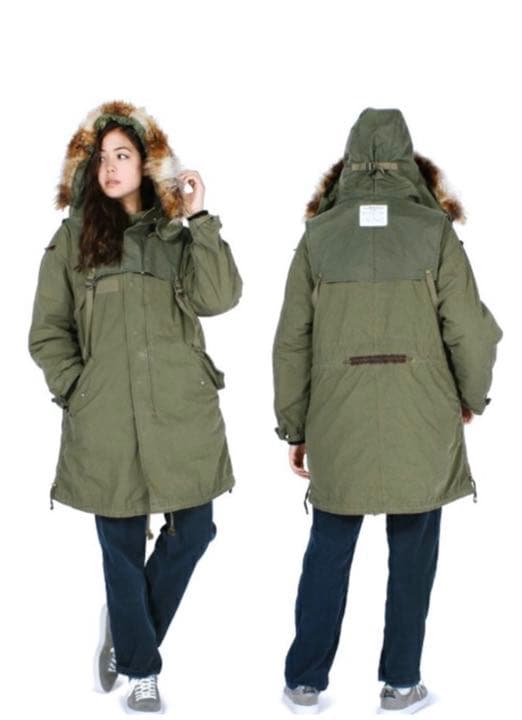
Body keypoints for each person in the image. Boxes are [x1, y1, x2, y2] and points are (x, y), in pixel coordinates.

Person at [272, 108, 502, 715]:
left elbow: (291, 340)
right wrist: (470, 397)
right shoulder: (434, 231)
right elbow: (471, 332)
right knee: (413, 551)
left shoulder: (319, 236)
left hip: (337, 419)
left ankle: (304, 682)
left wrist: (294, 425)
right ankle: (401, 683)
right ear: (410, 161)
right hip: (421, 416)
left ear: (348, 162)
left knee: (329, 546)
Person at [28, 100, 242, 713]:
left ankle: (126, 634)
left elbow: (220, 297)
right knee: (120, 548)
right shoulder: (72, 241)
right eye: (101, 158)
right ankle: (142, 671)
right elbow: (47, 333)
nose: (110, 167)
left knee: (194, 531)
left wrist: (199, 220)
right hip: (107, 419)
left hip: (180, 412)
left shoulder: (176, 235)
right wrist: (80, 391)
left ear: (148, 165)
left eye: (123, 155)